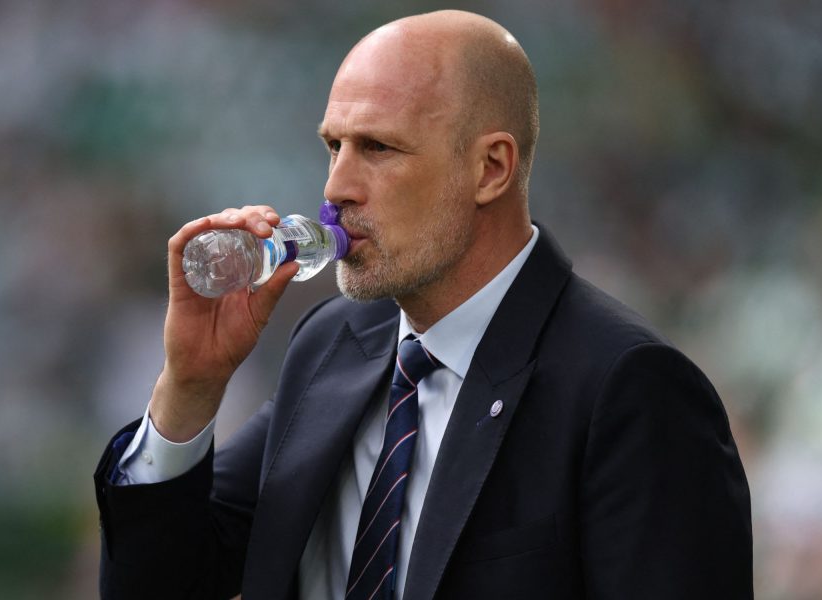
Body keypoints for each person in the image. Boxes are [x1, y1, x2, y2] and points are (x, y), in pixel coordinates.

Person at [93, 9, 752, 599]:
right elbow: (161, 585)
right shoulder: (332, 344)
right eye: (334, 146)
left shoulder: (628, 386)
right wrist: (190, 387)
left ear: (491, 169)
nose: (335, 188)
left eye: (378, 148)